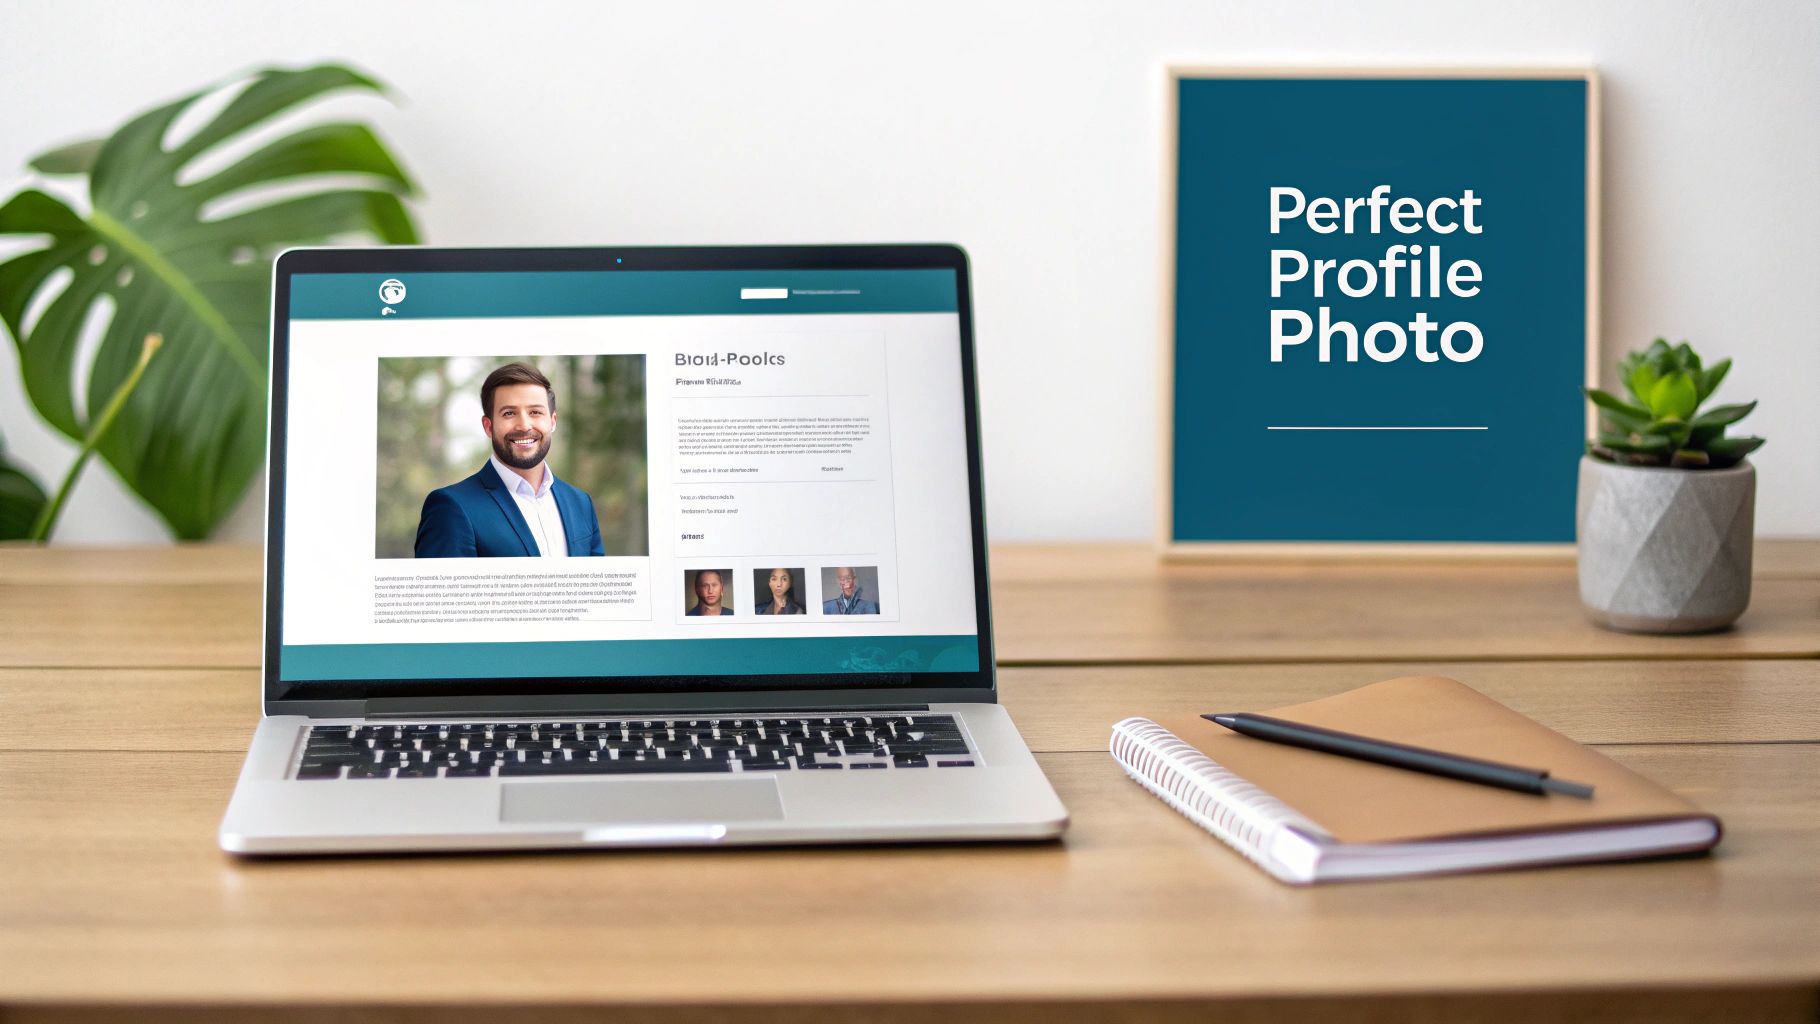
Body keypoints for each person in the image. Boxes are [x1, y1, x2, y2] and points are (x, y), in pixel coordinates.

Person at [414, 362, 605, 558]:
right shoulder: (451, 508)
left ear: (552, 421)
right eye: (509, 413)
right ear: (488, 426)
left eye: (535, 412)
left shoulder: (581, 503)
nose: (524, 425)